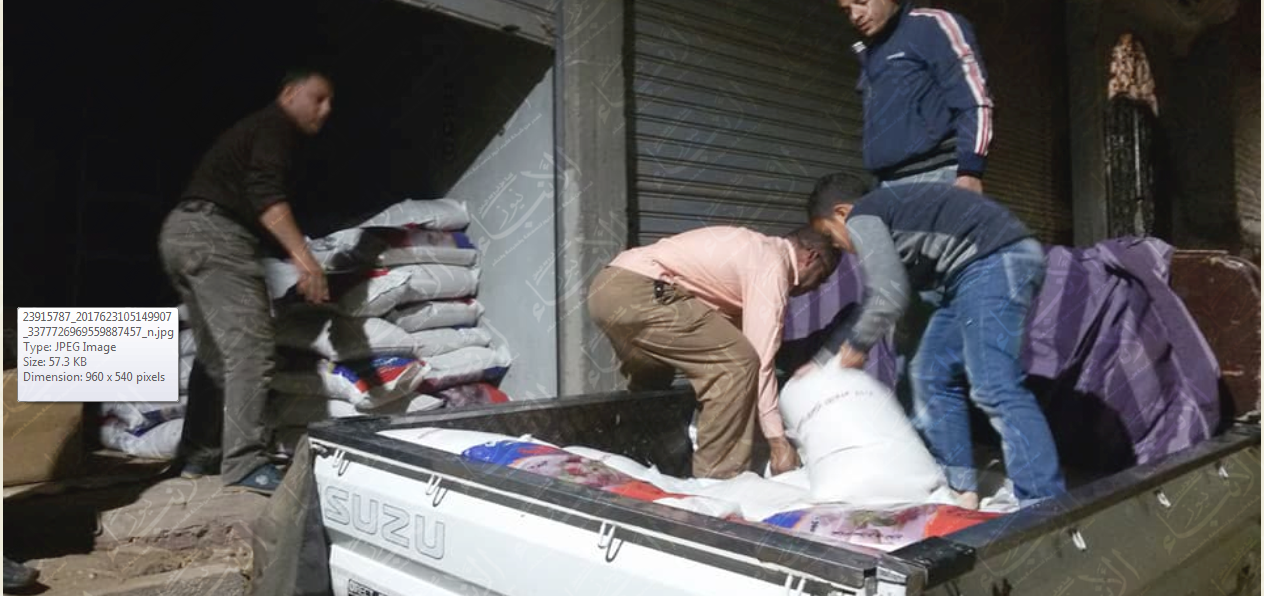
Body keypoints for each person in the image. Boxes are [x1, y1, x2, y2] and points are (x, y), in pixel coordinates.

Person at [804, 173, 1065, 507]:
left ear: (842, 212)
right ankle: (960, 488)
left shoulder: (864, 215)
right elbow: (882, 299)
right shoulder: (899, 223)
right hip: (970, 275)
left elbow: (888, 294)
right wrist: (822, 359)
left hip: (996, 259)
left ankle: (1044, 504)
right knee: (929, 372)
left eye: (830, 235)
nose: (838, 246)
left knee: (993, 384)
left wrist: (858, 345)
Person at [158, 68, 334, 494]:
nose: (326, 110)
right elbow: (266, 195)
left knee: (216, 356)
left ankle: (200, 455)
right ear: (289, 93)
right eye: (318, 98)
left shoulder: (253, 130)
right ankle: (245, 463)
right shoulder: (275, 126)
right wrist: (306, 261)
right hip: (216, 235)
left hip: (181, 232)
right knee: (251, 350)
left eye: (331, 103)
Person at [587, 226, 839, 479]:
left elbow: (732, 339)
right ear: (811, 257)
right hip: (641, 290)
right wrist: (778, 440)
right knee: (736, 366)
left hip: (608, 289)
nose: (814, 288)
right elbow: (758, 360)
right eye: (821, 277)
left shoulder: (753, 252)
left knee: (654, 381)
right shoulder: (773, 265)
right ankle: (719, 480)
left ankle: (634, 459)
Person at [837, 0, 994, 193]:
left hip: (935, 176)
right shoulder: (874, 52)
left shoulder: (932, 26)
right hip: (886, 183)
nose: (855, 16)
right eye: (847, 11)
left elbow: (975, 99)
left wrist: (970, 171)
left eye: (861, 2)